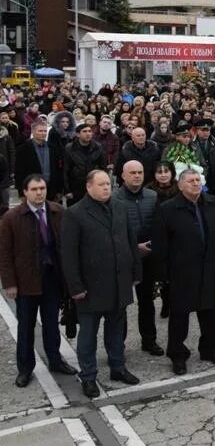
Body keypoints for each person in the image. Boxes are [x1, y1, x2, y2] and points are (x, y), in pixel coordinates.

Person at [61, 170, 141, 398]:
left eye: (108, 183)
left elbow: (130, 241)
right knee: (87, 336)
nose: (107, 188)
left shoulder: (120, 207)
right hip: (90, 288)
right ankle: (88, 377)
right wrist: (75, 287)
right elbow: (68, 255)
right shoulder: (75, 214)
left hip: (118, 283)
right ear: (89, 187)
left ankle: (118, 367)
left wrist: (135, 271)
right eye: (101, 184)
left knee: (116, 331)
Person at [0, 174, 78, 388]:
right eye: (34, 189)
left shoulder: (57, 211)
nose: (39, 192)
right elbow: (4, 254)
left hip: (52, 279)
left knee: (51, 323)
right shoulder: (12, 218)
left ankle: (55, 360)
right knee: (25, 326)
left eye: (42, 188)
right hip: (25, 282)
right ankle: (25, 368)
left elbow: (68, 245)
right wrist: (9, 284)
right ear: (24, 192)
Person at [151, 170, 215, 375]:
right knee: (180, 316)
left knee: (209, 312)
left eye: (198, 180)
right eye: (190, 181)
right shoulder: (168, 209)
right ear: (180, 185)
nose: (195, 184)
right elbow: (161, 244)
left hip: (209, 267)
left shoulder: (213, 203)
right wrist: (164, 274)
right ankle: (178, 355)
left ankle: (209, 349)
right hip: (181, 272)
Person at [113, 161, 162, 356]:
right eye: (132, 172)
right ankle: (118, 345)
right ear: (123, 176)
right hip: (124, 258)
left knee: (147, 302)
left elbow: (159, 225)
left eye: (140, 172)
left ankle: (149, 341)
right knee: (121, 304)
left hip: (147, 257)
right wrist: (134, 248)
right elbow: (112, 232)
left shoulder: (152, 196)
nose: (137, 176)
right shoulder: (114, 199)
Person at [15, 119, 64, 201]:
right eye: (40, 131)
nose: (43, 133)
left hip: (52, 190)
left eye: (45, 131)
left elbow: (59, 170)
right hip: (33, 190)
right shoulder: (23, 149)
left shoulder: (54, 148)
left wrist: (60, 190)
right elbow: (19, 172)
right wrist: (21, 193)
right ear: (33, 131)